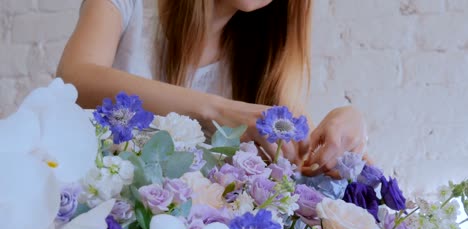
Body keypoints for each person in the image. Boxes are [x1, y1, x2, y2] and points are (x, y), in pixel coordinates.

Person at [57, 0, 368, 178]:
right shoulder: (129, 6)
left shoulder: (264, 61)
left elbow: (305, 162)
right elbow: (75, 79)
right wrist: (216, 111)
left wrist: (348, 126)